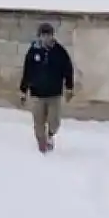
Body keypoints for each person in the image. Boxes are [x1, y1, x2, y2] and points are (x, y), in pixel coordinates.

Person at [19, 22, 75, 153]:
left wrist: (69, 88)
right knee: (38, 123)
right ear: (39, 36)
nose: (46, 38)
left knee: (54, 122)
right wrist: (23, 90)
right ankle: (42, 145)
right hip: (37, 94)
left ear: (52, 36)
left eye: (48, 35)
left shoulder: (60, 52)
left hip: (54, 94)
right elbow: (27, 71)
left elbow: (68, 70)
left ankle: (50, 135)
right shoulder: (33, 51)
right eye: (43, 36)